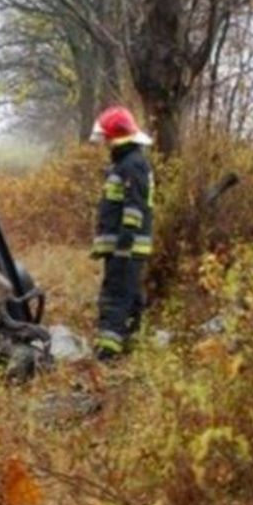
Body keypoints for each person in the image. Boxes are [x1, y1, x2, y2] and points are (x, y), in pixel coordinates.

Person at [89, 106, 155, 361]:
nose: (104, 143)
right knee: (130, 294)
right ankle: (131, 339)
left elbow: (134, 205)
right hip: (124, 245)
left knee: (115, 295)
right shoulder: (129, 163)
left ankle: (108, 350)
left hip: (125, 245)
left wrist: (125, 239)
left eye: (107, 138)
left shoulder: (133, 164)